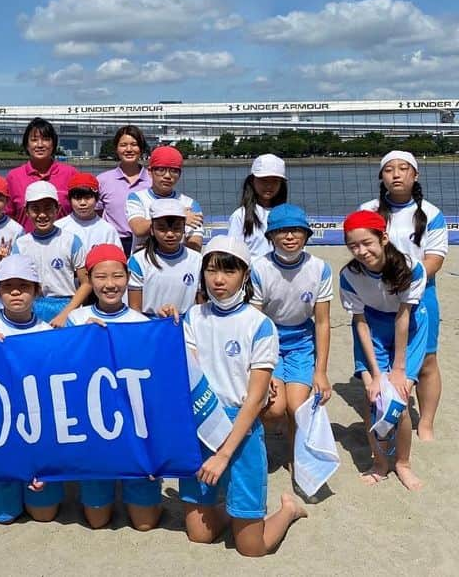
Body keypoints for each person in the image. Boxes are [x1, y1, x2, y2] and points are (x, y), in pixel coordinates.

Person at [178, 235, 307, 557]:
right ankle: (233, 512)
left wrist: (223, 455)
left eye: (229, 271)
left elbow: (255, 400)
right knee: (199, 535)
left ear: (245, 275)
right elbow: (191, 374)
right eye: (211, 270)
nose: (219, 280)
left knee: (252, 548)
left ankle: (288, 509)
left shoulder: (259, 324)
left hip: (241, 426)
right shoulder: (192, 317)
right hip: (201, 419)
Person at [67, 245, 162, 531]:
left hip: (134, 426)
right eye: (101, 277)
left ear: (128, 277)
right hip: (94, 428)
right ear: (89, 280)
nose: (110, 285)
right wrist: (81, 340)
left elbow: (157, 382)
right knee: (97, 522)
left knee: (144, 524)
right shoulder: (75, 321)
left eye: (117, 276)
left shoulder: (142, 324)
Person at [0, 255, 60, 524]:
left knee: (44, 514)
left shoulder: (47, 333)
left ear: (37, 291)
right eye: (8, 287)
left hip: (34, 428)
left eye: (24, 286)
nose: (16, 292)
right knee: (3, 516)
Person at [360, 150, 447, 441]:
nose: (396, 175)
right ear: (381, 177)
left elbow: (435, 260)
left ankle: (426, 423)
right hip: (378, 298)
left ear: (415, 175)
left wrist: (405, 282)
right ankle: (382, 419)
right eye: (389, 170)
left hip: (421, 295)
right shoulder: (369, 210)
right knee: (382, 364)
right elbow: (360, 250)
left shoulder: (431, 214)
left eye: (403, 169)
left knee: (427, 361)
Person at [340, 210, 428, 491]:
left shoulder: (411, 267)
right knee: (375, 398)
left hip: (410, 327)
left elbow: (404, 317)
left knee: (399, 400)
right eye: (353, 245)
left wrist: (399, 369)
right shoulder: (349, 275)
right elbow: (360, 323)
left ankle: (402, 463)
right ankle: (379, 462)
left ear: (384, 238)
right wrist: (375, 374)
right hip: (372, 328)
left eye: (367, 243)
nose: (361, 251)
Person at [250, 204, 333, 467]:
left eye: (296, 231)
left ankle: (295, 457)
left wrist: (321, 371)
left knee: (298, 408)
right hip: (268, 340)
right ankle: (257, 445)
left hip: (301, 342)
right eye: (282, 231)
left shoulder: (320, 268)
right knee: (274, 408)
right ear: (270, 236)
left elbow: (322, 322)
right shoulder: (259, 267)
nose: (289, 236)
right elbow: (253, 323)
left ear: (306, 235)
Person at [12, 181, 89, 326]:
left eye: (48, 208)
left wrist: (66, 314)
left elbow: (86, 283)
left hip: (66, 306)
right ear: (26, 211)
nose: (42, 215)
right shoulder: (21, 245)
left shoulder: (71, 241)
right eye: (35, 209)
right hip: (32, 307)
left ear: (58, 209)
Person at [127, 199, 202, 316]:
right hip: (150, 326)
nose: (170, 234)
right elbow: (134, 309)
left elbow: (200, 306)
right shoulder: (138, 261)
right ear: (152, 230)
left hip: (185, 326)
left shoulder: (197, 260)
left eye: (176, 228)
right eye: (162, 229)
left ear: (184, 229)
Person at [5, 118, 78, 232]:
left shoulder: (70, 174)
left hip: (64, 244)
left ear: (53, 144)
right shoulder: (14, 177)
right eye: (34, 140)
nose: (40, 145)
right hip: (25, 245)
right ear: (26, 145)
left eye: (45, 139)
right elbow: (8, 216)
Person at [125, 146, 203, 252]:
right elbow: (138, 229)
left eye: (174, 171)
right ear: (150, 172)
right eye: (161, 170)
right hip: (143, 264)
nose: (167, 176)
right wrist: (181, 217)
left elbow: (195, 244)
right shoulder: (136, 198)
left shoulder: (191, 204)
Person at [96, 125, 151, 255]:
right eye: (123, 145)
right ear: (116, 149)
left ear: (141, 148)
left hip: (146, 243)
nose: (129, 149)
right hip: (113, 243)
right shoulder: (103, 180)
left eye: (134, 144)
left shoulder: (152, 180)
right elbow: (96, 213)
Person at [227, 154, 288, 260]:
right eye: (264, 180)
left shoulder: (288, 214)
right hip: (252, 274)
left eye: (275, 181)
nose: (269, 186)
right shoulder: (240, 215)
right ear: (252, 181)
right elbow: (233, 254)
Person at [54, 172, 122, 254]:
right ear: (70, 200)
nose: (83, 203)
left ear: (97, 199)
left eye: (88, 197)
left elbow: (116, 260)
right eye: (77, 198)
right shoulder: (59, 227)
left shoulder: (108, 230)